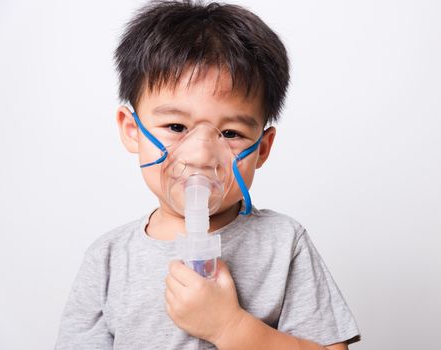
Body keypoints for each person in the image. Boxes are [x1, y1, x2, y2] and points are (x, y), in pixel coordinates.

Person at [55, 1, 360, 349]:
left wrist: (230, 328)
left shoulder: (283, 244)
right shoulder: (108, 258)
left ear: (261, 148)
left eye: (230, 133)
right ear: (132, 130)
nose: (200, 155)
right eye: (175, 126)